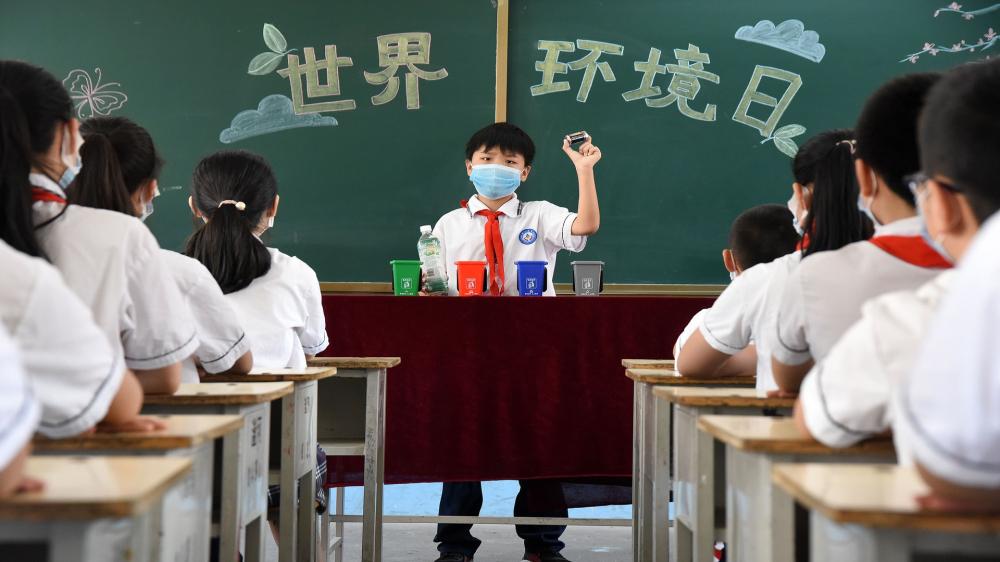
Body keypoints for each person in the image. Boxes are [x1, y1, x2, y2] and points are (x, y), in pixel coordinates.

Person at [430, 122, 602, 562]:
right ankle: (454, 545)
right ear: (469, 167)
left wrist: (584, 170)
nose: (497, 168)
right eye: (487, 159)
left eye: (510, 162)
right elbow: (436, 286)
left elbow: (586, 225)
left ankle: (543, 544)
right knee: (463, 446)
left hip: (533, 350)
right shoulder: (447, 225)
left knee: (538, 444)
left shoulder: (539, 215)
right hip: (469, 349)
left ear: (524, 173)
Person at [71, 116, 252, 383]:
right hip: (160, 407)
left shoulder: (36, 255)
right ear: (150, 190)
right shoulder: (179, 272)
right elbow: (238, 362)